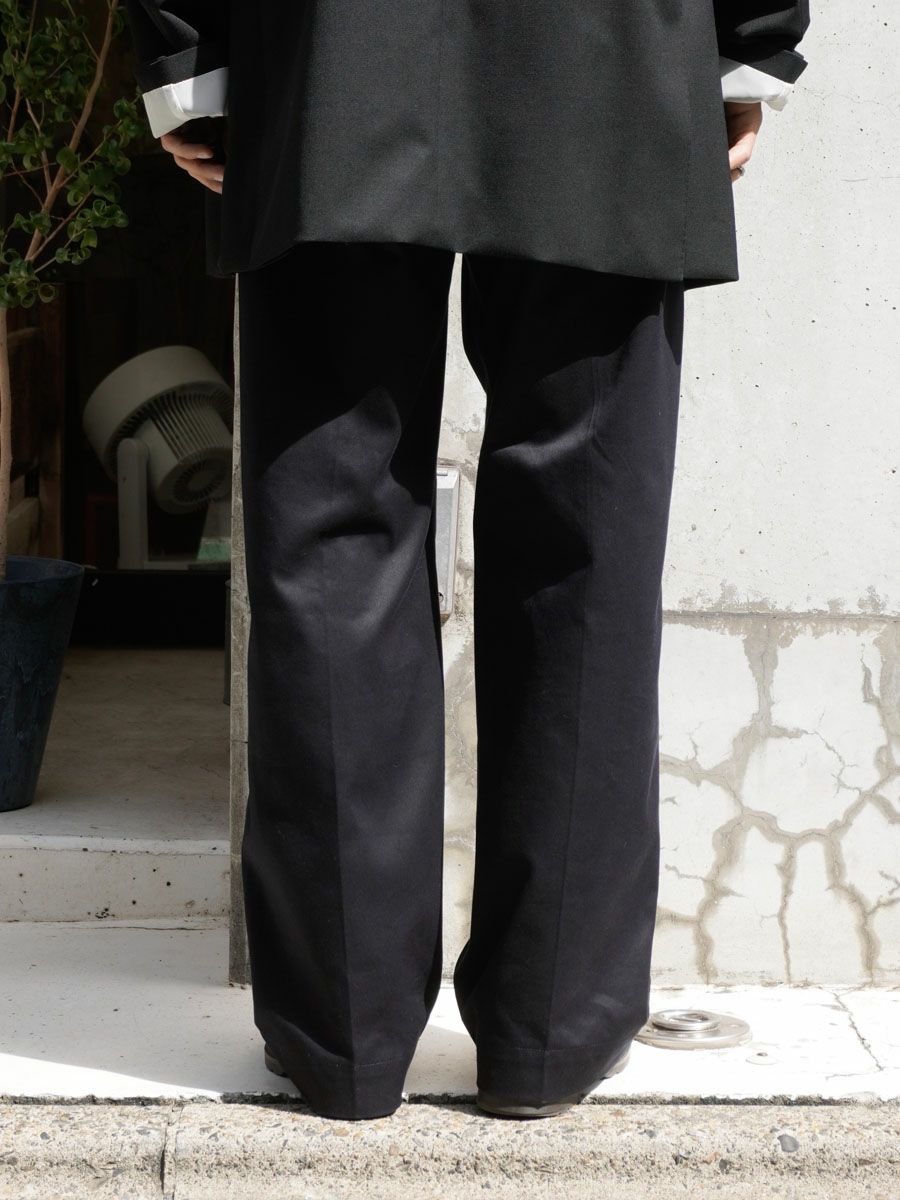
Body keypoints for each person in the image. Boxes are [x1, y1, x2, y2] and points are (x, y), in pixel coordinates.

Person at [124, 0, 810, 1122]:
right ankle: (553, 1029)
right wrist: (747, 43)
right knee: (588, 542)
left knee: (332, 537)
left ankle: (343, 1033)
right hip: (611, 43)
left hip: (331, 44)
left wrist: (190, 54)